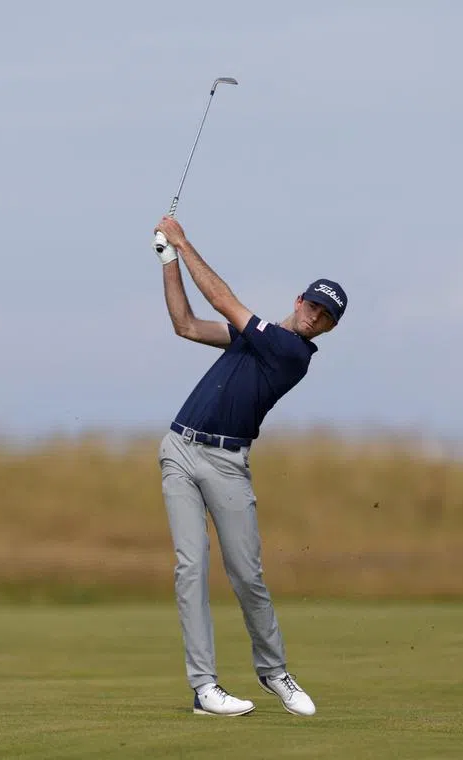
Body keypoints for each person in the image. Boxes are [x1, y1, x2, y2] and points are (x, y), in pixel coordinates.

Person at [151, 214, 347, 717]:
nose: (315, 318)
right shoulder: (255, 338)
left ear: (328, 328)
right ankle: (204, 689)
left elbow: (220, 300)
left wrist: (183, 241)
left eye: (326, 318)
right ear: (299, 300)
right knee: (190, 567)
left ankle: (274, 672)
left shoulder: (291, 352)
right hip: (179, 448)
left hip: (226, 464)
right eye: (314, 306)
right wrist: (167, 259)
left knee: (246, 575)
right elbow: (185, 325)